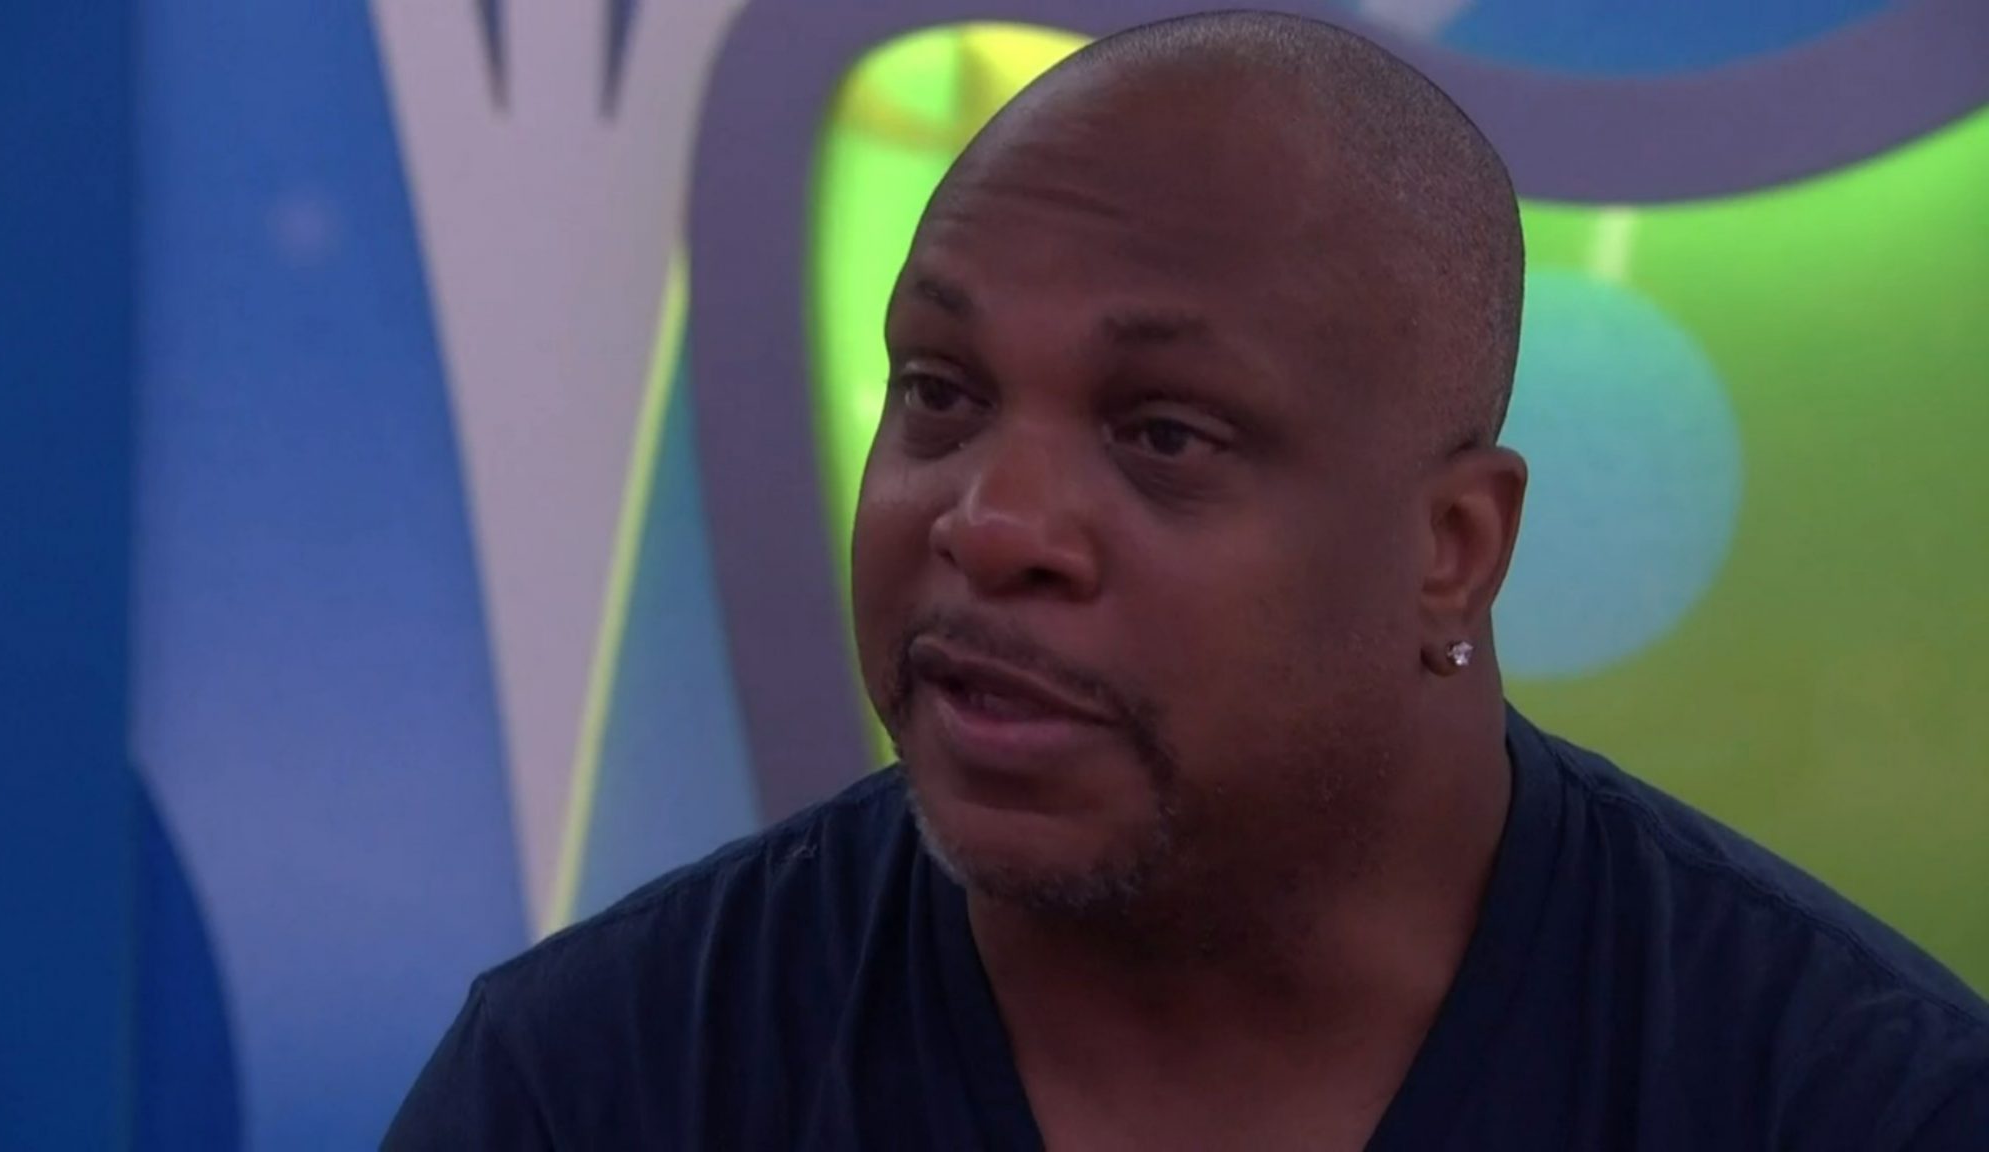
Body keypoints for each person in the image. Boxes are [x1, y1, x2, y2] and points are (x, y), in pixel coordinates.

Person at [385, 11, 1989, 1149]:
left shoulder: (1849, 1103)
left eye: (1164, 433)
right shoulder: (592, 1089)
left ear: (1453, 552)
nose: (995, 524)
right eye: (940, 392)